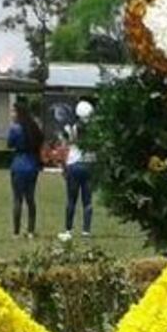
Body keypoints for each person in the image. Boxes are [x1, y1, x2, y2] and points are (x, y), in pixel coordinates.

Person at [59, 100, 96, 242]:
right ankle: (86, 230)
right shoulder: (95, 130)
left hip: (74, 164)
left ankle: (68, 230)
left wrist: (63, 166)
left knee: (71, 200)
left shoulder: (71, 129)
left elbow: (64, 144)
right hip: (89, 165)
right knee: (87, 201)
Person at [8, 101, 44, 238]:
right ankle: (30, 230)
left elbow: (10, 144)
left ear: (18, 113)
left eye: (13, 111)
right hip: (32, 165)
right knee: (30, 198)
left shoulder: (15, 128)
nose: (12, 114)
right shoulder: (34, 127)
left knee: (17, 199)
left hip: (18, 164)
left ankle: (16, 232)